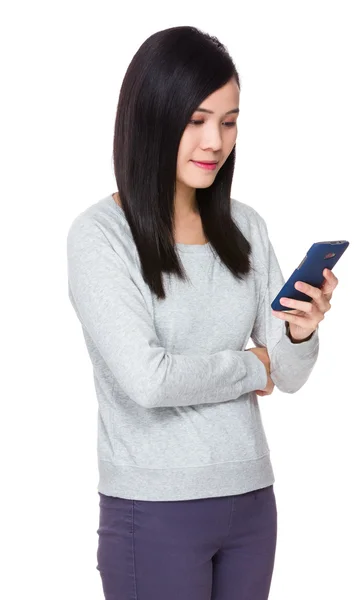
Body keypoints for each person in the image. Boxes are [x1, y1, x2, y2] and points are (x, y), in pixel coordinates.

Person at [66, 25, 338, 600]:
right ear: (152, 117)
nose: (215, 140)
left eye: (229, 119)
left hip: (251, 502)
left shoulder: (245, 226)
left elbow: (286, 374)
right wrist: (252, 367)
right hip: (154, 509)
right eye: (196, 120)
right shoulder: (101, 237)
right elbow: (148, 379)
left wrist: (298, 332)